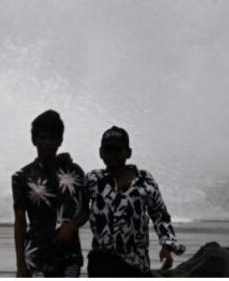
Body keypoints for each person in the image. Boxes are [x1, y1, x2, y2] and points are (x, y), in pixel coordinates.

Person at [76, 126, 186, 277]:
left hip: (135, 264)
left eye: (117, 149)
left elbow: (160, 215)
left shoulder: (144, 181)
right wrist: (63, 163)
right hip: (101, 262)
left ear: (128, 152)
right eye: (108, 150)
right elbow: (75, 203)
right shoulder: (93, 179)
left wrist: (167, 246)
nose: (112, 154)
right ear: (101, 152)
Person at [11, 110, 86, 277]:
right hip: (36, 257)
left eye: (52, 138)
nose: (47, 143)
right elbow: (20, 222)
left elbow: (86, 210)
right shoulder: (22, 177)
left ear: (60, 141)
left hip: (69, 257)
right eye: (42, 138)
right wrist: (20, 264)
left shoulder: (74, 172)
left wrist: (72, 226)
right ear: (34, 140)